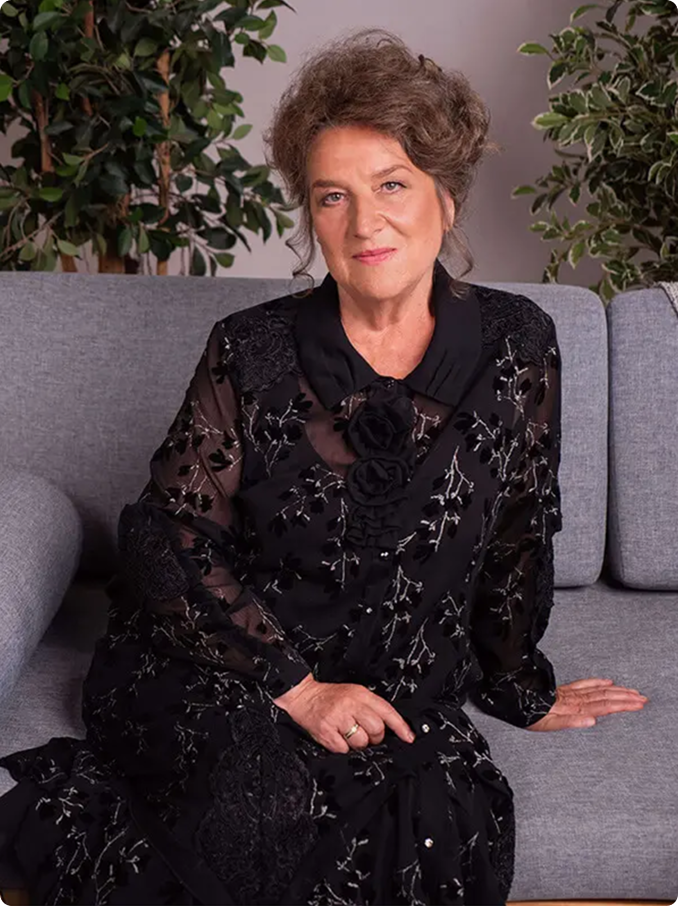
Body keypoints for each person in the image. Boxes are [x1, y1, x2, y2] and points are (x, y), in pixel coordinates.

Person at [0, 27, 649, 906]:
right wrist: (299, 691)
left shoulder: (519, 343)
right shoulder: (251, 348)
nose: (364, 222)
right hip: (225, 664)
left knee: (431, 818)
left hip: (397, 674)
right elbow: (167, 536)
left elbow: (517, 530)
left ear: (447, 196)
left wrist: (517, 684)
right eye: (332, 196)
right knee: (266, 805)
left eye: (392, 184)